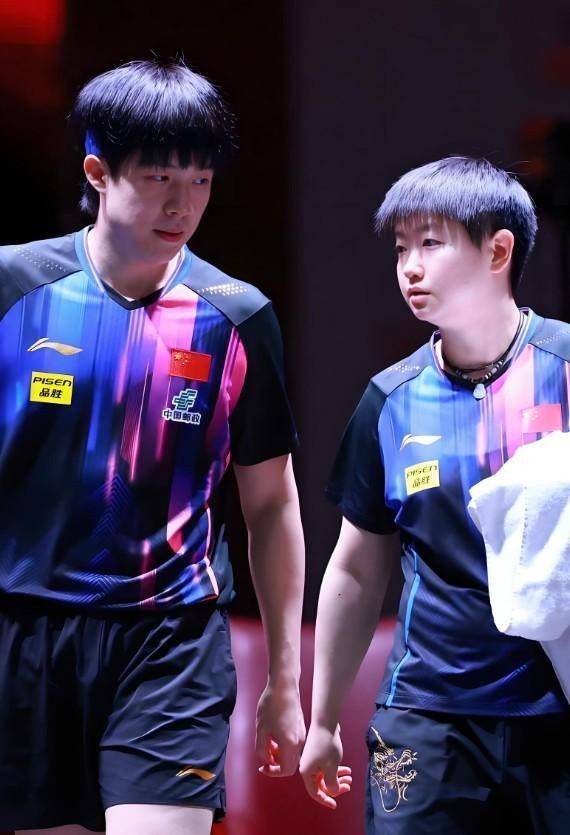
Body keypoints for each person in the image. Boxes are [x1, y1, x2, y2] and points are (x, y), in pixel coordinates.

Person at [0, 58, 305, 835]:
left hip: (171, 638)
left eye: (200, 179)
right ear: (98, 172)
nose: (182, 202)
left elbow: (271, 504)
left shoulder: (237, 316)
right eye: (160, 176)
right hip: (24, 631)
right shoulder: (14, 288)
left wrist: (286, 677)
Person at [300, 157, 570, 833]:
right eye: (400, 248)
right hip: (427, 714)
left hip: (557, 706)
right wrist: (323, 719)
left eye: (430, 243)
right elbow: (356, 570)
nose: (409, 268)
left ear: (498, 251)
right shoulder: (390, 399)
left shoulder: (565, 369)